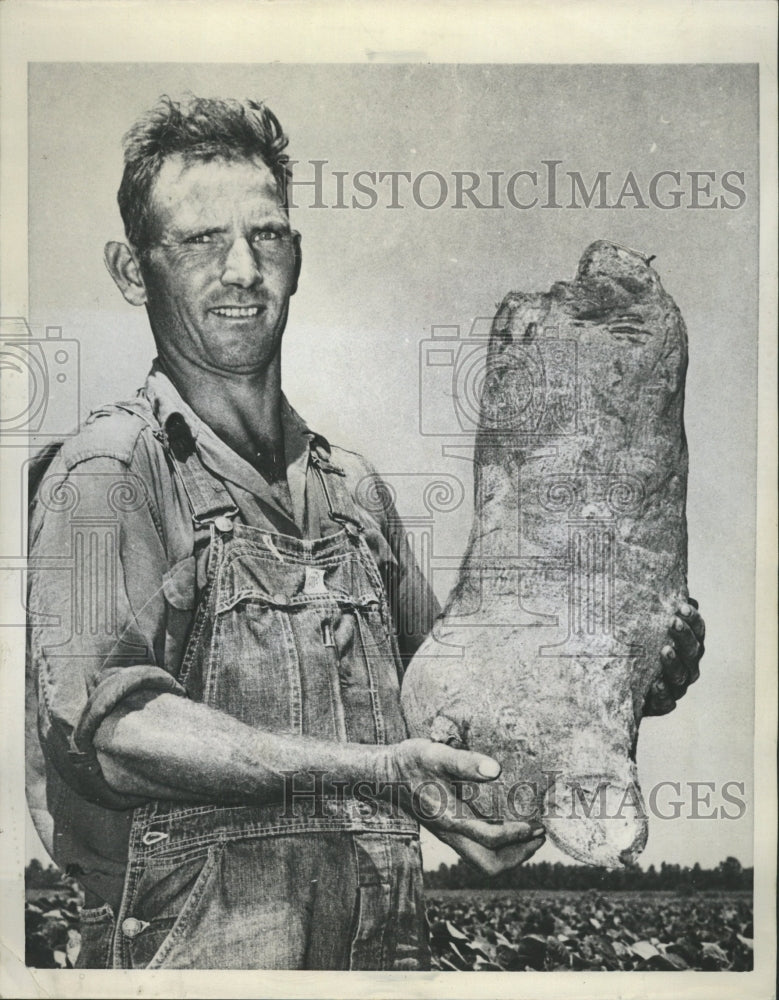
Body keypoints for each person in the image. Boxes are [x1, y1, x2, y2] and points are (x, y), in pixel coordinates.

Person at [26, 95, 705, 971]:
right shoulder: (103, 476)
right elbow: (112, 737)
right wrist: (373, 773)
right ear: (131, 270)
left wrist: (608, 673)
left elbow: (456, 719)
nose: (241, 269)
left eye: (266, 236)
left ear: (296, 257)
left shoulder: (356, 497)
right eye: (200, 241)